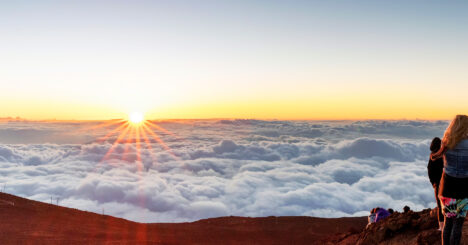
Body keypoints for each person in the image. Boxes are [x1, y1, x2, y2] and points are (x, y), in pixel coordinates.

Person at [431, 115, 468, 245]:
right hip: (464, 190)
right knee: (458, 225)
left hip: (447, 188)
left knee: (448, 224)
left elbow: (434, 157)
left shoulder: (446, 142)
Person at [427, 137, 445, 230]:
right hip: (445, 182)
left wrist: (433, 183)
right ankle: (446, 225)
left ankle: (441, 227)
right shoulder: (442, 156)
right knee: (447, 204)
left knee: (440, 205)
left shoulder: (432, 156)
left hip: (437, 183)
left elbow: (429, 171)